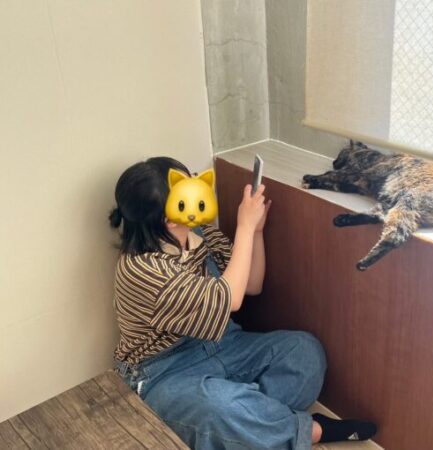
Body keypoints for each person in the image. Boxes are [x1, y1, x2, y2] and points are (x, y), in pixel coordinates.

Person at [109, 156, 377, 449]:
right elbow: (231, 300)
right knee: (217, 406)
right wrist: (244, 228)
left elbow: (251, 284)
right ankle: (309, 431)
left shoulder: (200, 233)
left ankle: (251, 424)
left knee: (305, 353)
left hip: (225, 344)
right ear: (170, 217)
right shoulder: (140, 269)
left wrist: (256, 231)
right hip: (165, 371)